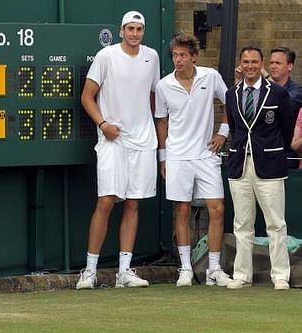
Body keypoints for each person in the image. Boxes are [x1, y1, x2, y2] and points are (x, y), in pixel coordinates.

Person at [76, 10, 160, 289]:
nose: (135, 33)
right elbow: (87, 97)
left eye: (139, 29)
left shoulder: (152, 57)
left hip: (143, 142)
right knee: (107, 201)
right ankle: (89, 271)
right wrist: (103, 124)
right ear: (121, 30)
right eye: (130, 29)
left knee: (133, 203)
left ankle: (124, 272)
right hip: (112, 140)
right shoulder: (106, 56)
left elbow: (152, 97)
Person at [154, 33, 232, 287]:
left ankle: (214, 268)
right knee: (182, 209)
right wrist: (163, 157)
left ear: (194, 57)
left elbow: (230, 103)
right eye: (175, 55)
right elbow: (162, 121)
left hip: (206, 154)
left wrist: (222, 133)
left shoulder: (210, 77)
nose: (178, 60)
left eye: (183, 55)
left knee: (217, 209)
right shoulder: (164, 85)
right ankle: (186, 268)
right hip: (177, 156)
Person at [225, 46, 294, 290]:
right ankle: (242, 275)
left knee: (276, 223)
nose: (250, 66)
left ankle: (280, 276)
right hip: (240, 164)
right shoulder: (231, 93)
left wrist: (273, 151)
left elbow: (286, 129)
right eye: (246, 61)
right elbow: (235, 128)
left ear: (261, 62)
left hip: (270, 165)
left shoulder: (276, 93)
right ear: (240, 64)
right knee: (242, 223)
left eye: (255, 61)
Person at [268, 47, 302, 168]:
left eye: (278, 63)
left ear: (290, 66)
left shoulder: (297, 91)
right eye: (271, 63)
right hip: (261, 152)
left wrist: (266, 77)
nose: (273, 66)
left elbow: (284, 105)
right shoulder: (261, 89)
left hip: (286, 155)